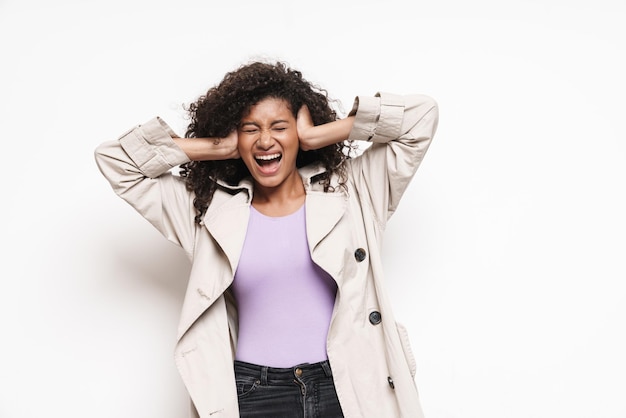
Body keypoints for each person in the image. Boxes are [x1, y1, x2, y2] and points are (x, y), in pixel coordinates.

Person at [95, 60, 439, 418]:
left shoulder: (353, 191)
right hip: (254, 392)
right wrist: (216, 147)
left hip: (345, 383)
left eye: (280, 126)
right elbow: (116, 162)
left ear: (299, 135)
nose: (264, 140)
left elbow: (422, 117)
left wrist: (324, 133)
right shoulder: (207, 211)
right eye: (250, 129)